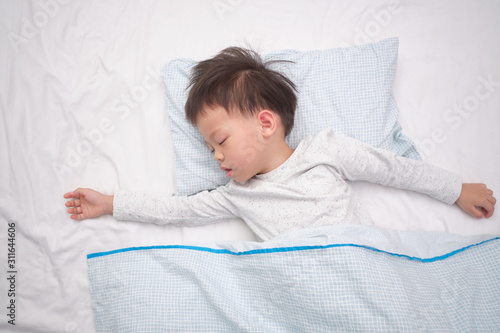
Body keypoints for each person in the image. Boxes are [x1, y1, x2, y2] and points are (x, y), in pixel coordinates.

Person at [64, 47, 496, 241]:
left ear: (265, 123)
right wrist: (110, 203)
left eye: (219, 141)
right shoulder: (238, 195)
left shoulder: (324, 150)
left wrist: (455, 189)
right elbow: (178, 210)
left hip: (358, 266)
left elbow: (392, 168)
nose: (215, 157)